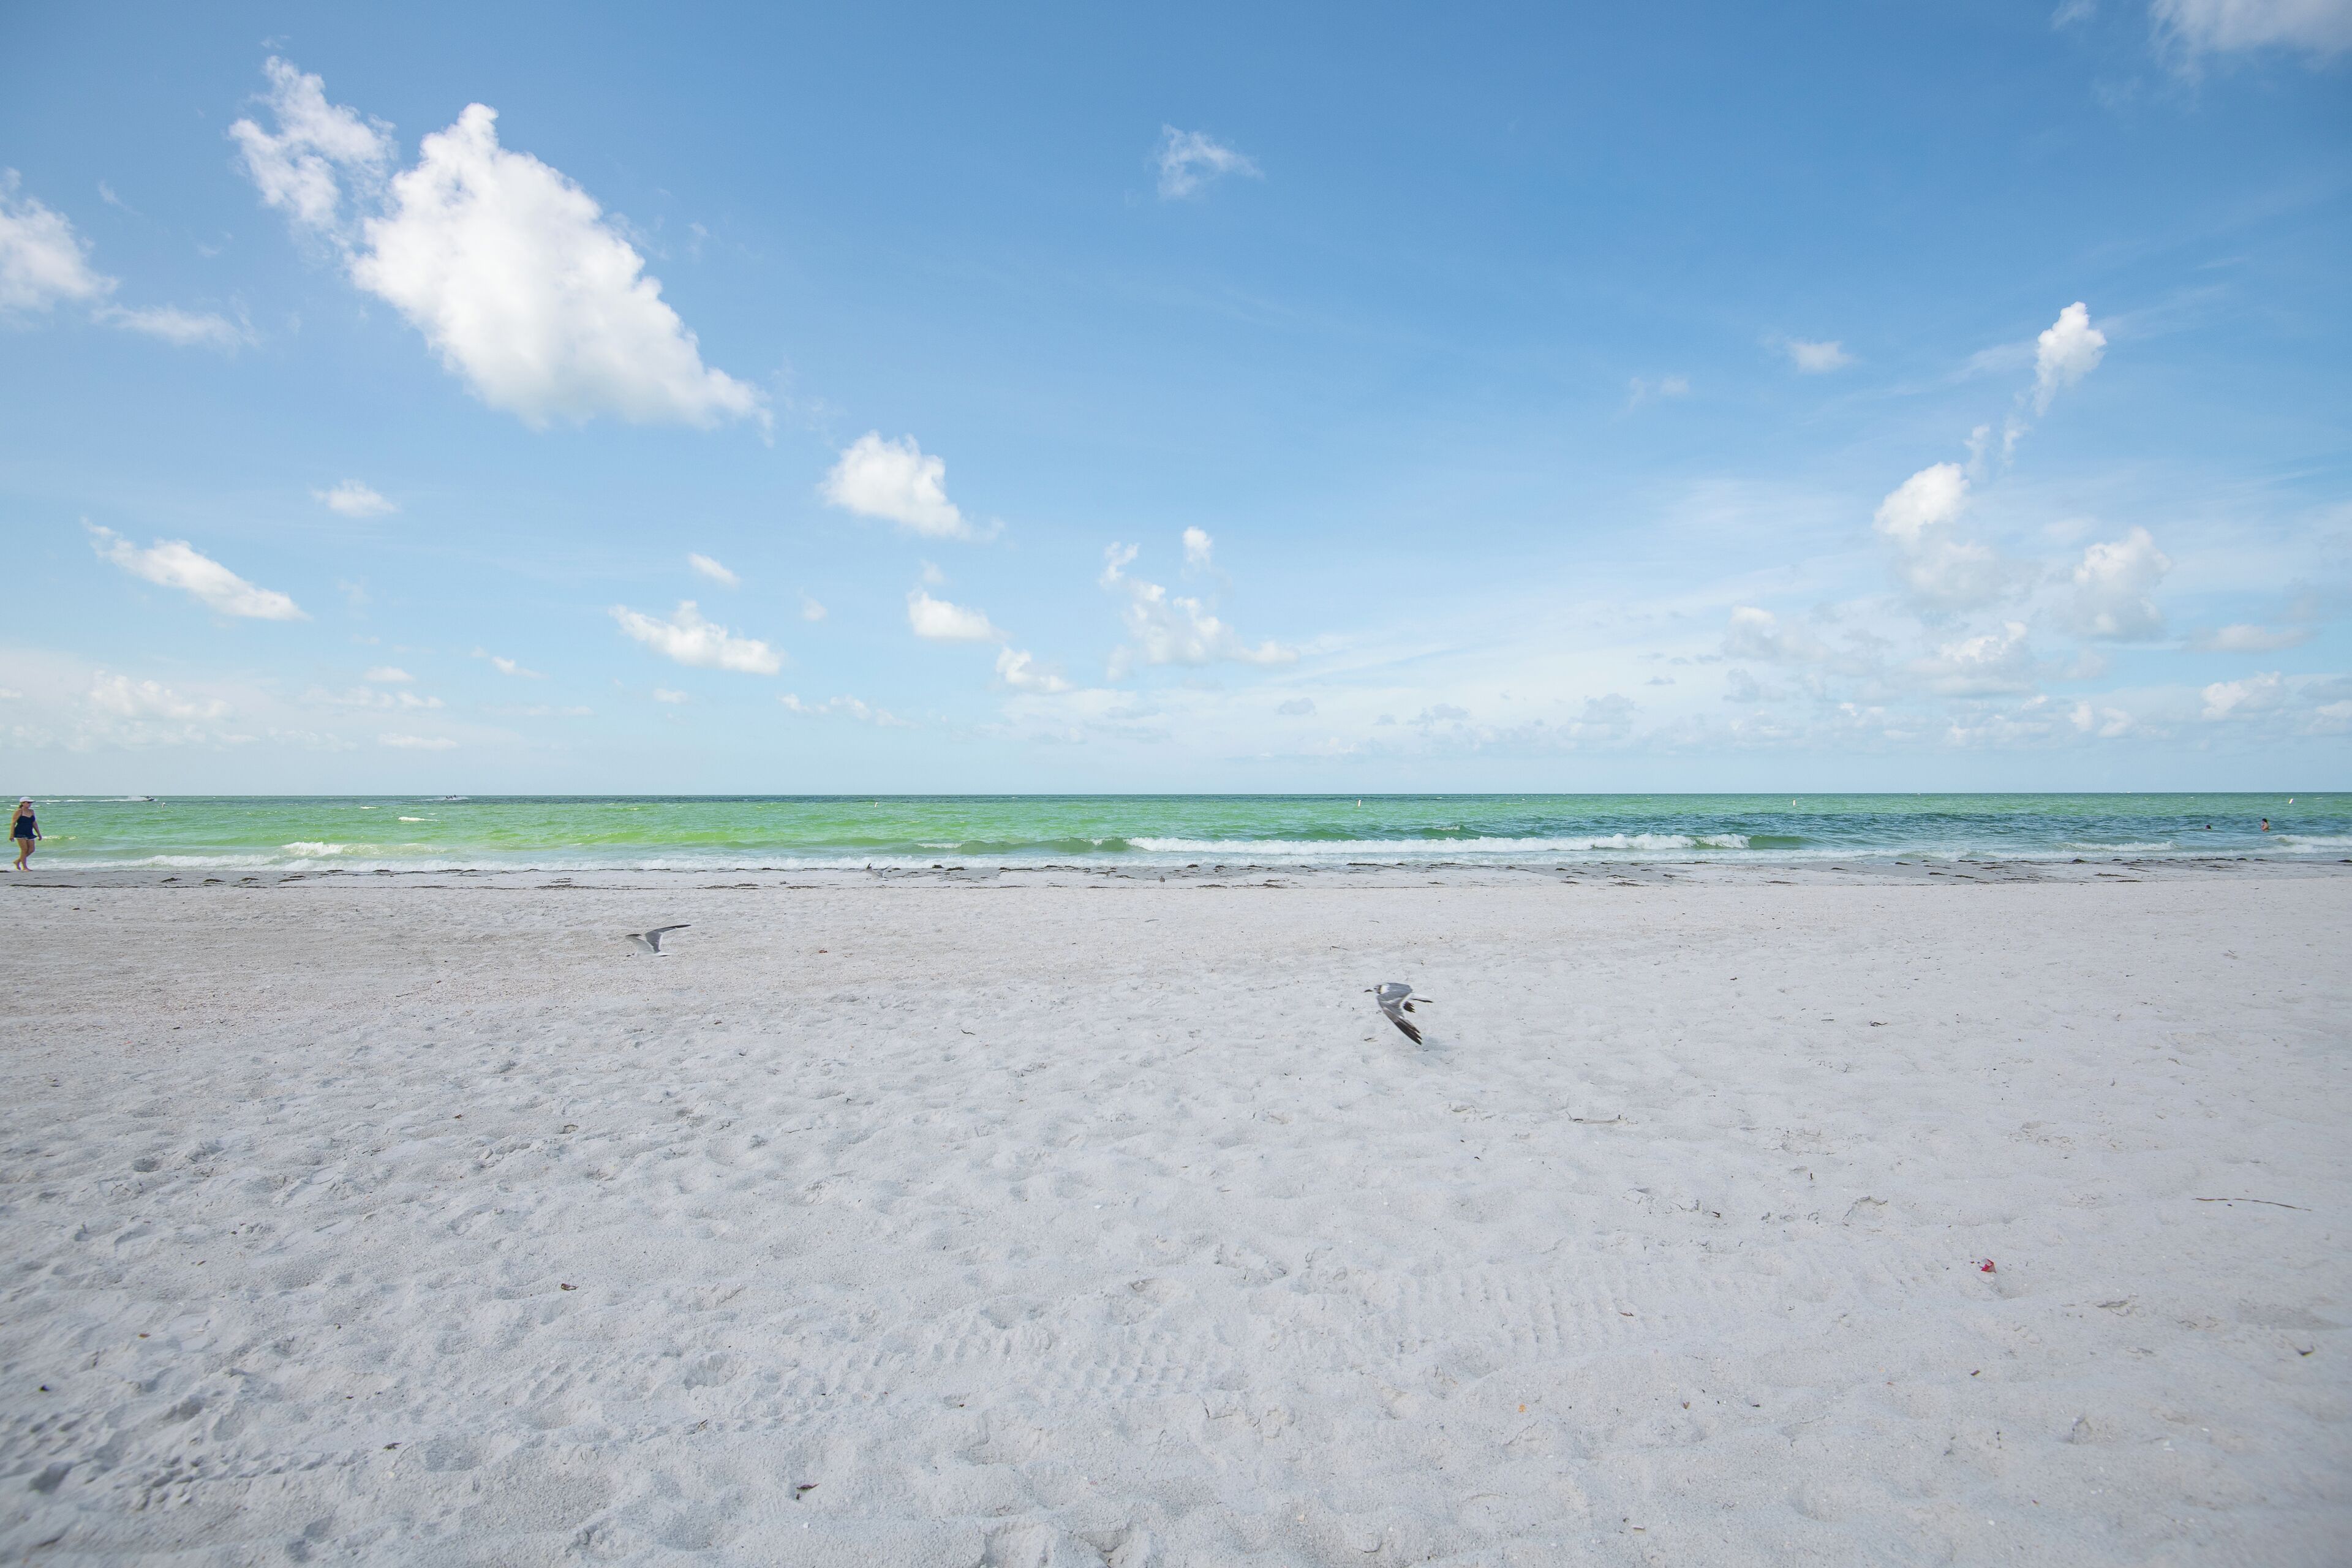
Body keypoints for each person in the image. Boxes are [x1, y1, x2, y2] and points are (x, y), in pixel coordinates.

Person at [10, 799, 37, 870]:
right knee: (24, 849)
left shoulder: (32, 811)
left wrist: (39, 833)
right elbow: (13, 823)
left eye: (31, 802)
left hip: (29, 832)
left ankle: (18, 861)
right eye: (28, 802)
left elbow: (34, 823)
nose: (30, 804)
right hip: (20, 832)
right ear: (22, 803)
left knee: (31, 849)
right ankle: (24, 867)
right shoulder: (19, 811)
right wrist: (12, 835)